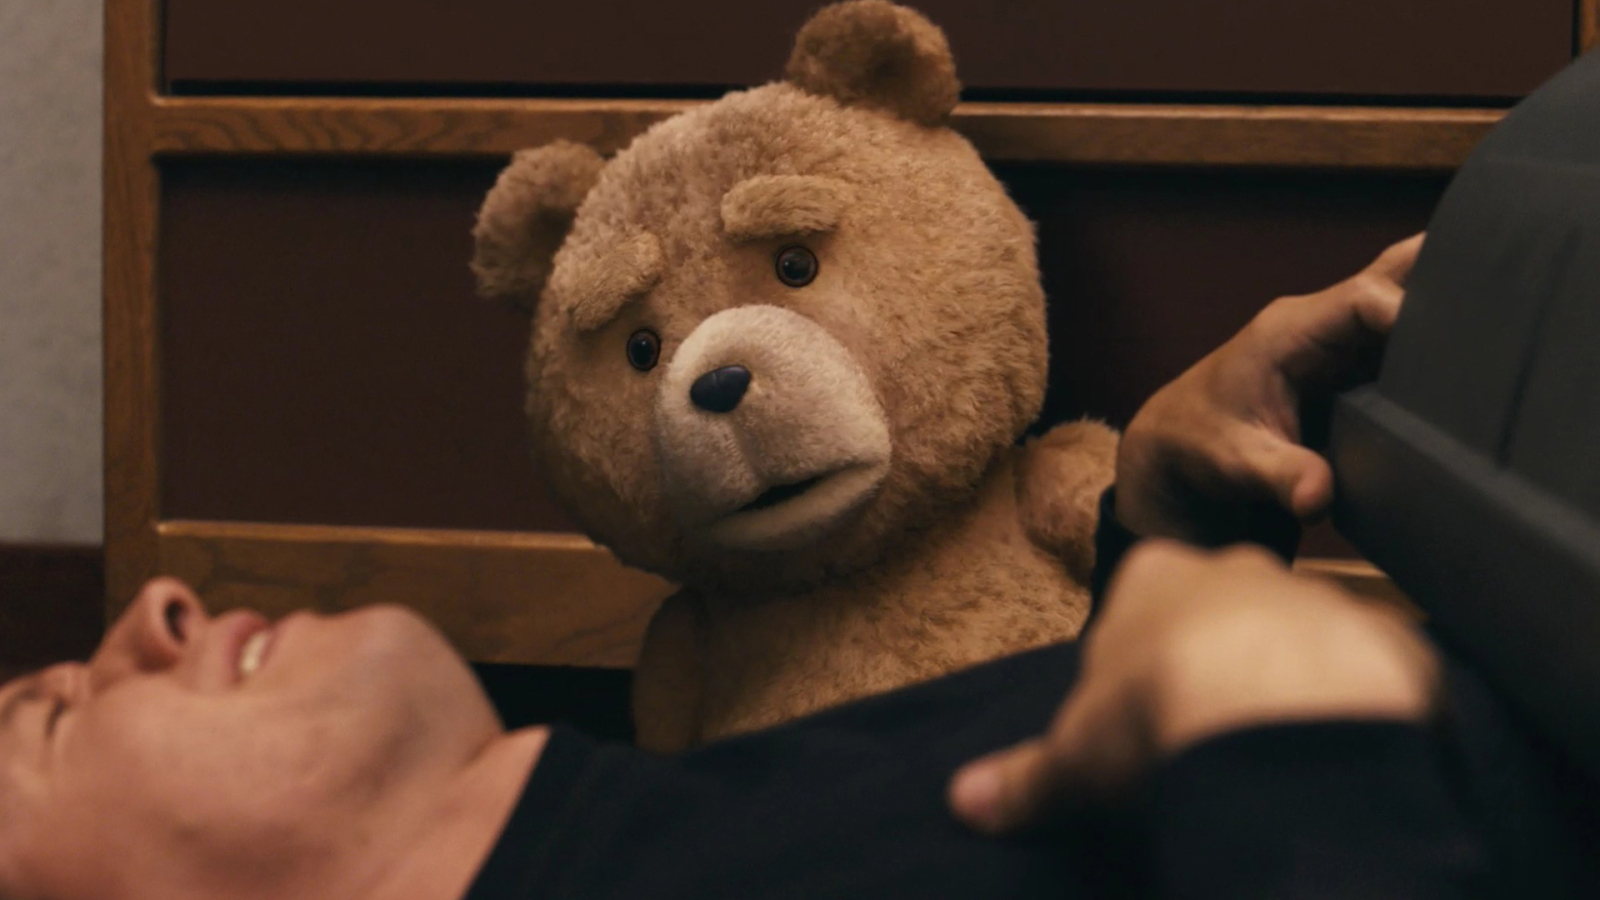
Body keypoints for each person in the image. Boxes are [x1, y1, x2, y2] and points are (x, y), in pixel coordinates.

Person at [0, 237, 1590, 899]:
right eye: (54, 719)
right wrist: (1296, 732)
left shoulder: (643, 818)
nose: (153, 610)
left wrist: (1175, 535)